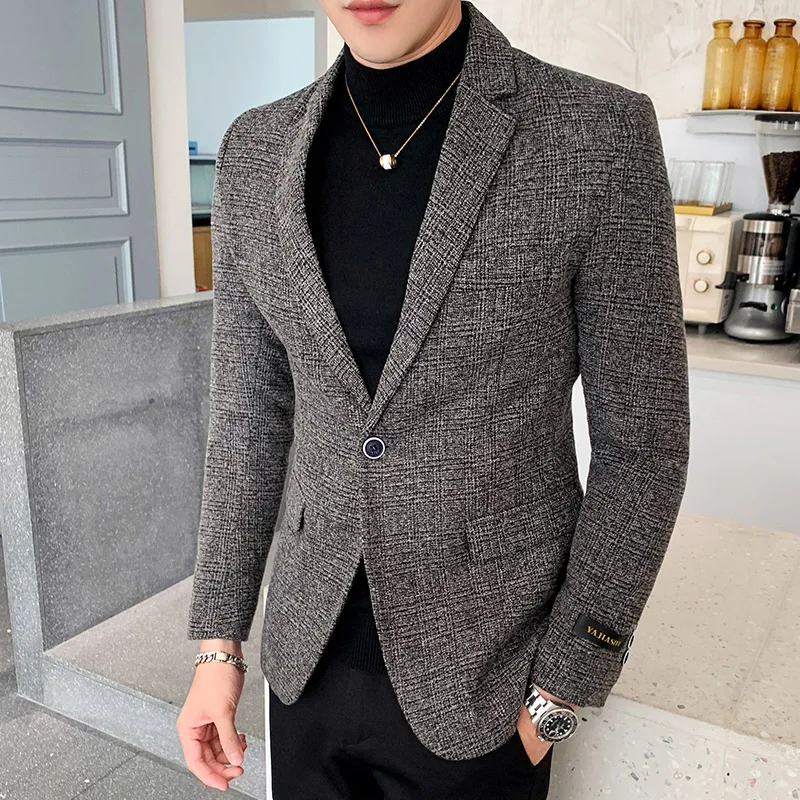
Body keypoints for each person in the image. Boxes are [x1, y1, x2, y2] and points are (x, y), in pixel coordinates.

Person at [176, 1, 691, 797]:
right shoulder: (255, 148)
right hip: (304, 670)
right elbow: (248, 418)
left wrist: (562, 689)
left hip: (488, 684)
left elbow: (644, 443)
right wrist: (218, 646)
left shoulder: (596, 134)